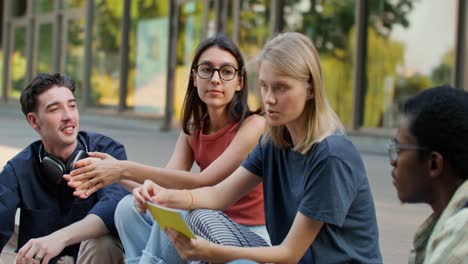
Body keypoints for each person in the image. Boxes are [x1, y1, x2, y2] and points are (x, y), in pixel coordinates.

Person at [133, 32, 382, 263]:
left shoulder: (331, 155)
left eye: (281, 88)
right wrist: (162, 196)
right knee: (198, 214)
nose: (269, 99)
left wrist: (211, 252)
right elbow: (218, 195)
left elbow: (290, 254)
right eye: (264, 86)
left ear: (310, 89)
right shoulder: (273, 143)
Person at [65, 35, 267, 263]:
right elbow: (161, 188)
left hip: (248, 234)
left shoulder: (254, 126)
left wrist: (122, 169)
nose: (216, 79)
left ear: (240, 81)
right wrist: (111, 175)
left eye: (227, 71)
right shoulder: (193, 129)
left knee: (180, 208)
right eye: (207, 70)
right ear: (194, 78)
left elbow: (205, 182)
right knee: (127, 207)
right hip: (202, 221)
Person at [0, 73, 129, 264]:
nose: (68, 116)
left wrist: (60, 238)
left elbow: (114, 206)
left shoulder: (106, 151)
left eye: (72, 105)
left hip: (94, 257)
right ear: (34, 121)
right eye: (55, 109)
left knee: (103, 243)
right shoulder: (18, 168)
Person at [388, 85, 468, 263]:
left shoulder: (462, 233)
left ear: (434, 163)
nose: (393, 161)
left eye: (399, 149)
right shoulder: (444, 223)